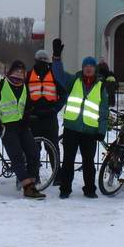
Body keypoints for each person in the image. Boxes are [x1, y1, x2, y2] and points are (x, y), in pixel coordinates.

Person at [0, 60, 46, 199]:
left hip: (22, 126)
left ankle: (32, 184)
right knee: (16, 156)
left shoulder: (24, 86)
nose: (19, 74)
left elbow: (27, 105)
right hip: (6, 127)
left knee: (34, 153)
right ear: (10, 71)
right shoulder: (1, 84)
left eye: (22, 71)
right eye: (16, 70)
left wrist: (27, 117)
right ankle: (28, 187)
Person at [52, 40, 109, 199]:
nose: (89, 68)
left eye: (91, 66)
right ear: (83, 68)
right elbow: (58, 75)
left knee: (89, 163)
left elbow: (104, 110)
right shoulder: (74, 81)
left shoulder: (101, 86)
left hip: (90, 131)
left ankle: (90, 189)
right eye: (86, 66)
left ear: (95, 69)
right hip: (72, 128)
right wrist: (56, 58)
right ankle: (65, 189)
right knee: (68, 161)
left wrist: (101, 130)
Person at [26, 50, 65, 175]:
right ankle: (33, 175)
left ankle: (57, 175)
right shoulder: (28, 76)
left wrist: (55, 109)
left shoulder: (54, 76)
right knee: (32, 149)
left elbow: (64, 94)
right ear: (35, 61)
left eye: (44, 62)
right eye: (39, 61)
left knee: (53, 148)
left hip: (50, 117)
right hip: (33, 118)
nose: (41, 64)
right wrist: (27, 110)